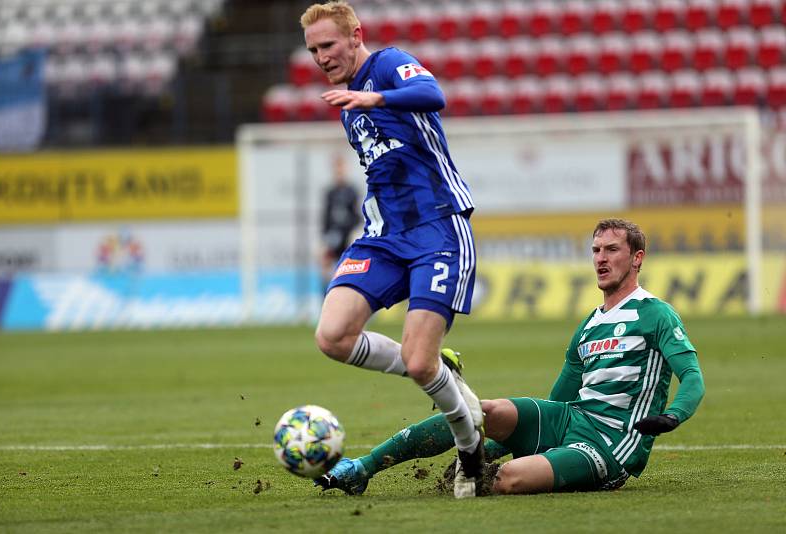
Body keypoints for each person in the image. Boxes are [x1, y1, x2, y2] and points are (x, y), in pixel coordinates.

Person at [316, 219, 706, 496]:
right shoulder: (590, 323)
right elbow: (559, 399)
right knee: (481, 411)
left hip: (609, 443)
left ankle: (485, 473)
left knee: (506, 479)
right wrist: (492, 439)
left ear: (637, 258)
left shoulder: (655, 313)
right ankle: (362, 469)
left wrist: (673, 415)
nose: (601, 259)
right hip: (573, 420)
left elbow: (691, 376)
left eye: (612, 250)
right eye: (596, 250)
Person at [300, 2, 484, 498]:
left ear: (355, 35)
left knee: (421, 364)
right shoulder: (346, 104)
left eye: (328, 45)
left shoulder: (387, 65)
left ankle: (470, 451)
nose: (320, 57)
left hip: (436, 230)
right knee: (332, 336)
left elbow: (432, 94)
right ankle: (442, 369)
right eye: (313, 49)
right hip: (383, 236)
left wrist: (375, 99)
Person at [320, 153, 361, 286]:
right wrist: (323, 242)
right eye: (337, 168)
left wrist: (354, 234)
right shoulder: (330, 192)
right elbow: (325, 218)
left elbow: (358, 216)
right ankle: (326, 300)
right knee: (326, 272)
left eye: (341, 167)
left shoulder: (352, 191)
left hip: (348, 238)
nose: (339, 171)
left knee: (350, 273)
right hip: (333, 239)